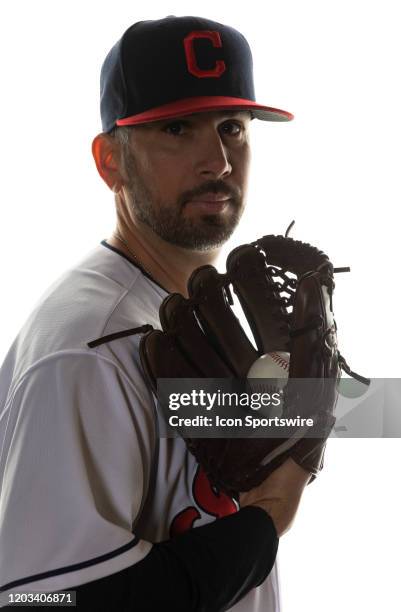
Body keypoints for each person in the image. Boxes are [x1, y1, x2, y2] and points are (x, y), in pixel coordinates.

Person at [0, 16, 312, 611]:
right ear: (109, 161)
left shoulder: (188, 311)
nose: (217, 161)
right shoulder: (86, 350)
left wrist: (317, 409)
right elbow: (54, 604)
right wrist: (267, 519)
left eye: (231, 128)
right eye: (176, 128)